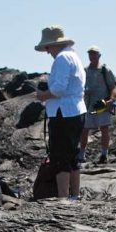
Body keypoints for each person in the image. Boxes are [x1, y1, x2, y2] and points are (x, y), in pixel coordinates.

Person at [34, 25, 86, 200]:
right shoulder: (74, 57)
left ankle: (63, 198)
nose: (47, 51)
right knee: (73, 155)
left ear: (54, 44)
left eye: (48, 47)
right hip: (76, 110)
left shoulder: (62, 59)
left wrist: (43, 95)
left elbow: (59, 89)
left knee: (60, 157)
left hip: (63, 112)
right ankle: (74, 196)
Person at [79, 46, 116, 164]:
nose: (92, 56)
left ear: (99, 55)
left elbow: (113, 86)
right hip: (88, 103)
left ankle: (104, 154)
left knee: (104, 128)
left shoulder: (105, 70)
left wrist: (112, 99)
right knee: (84, 129)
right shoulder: (84, 70)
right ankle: (81, 154)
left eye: (94, 54)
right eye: (90, 54)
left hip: (102, 103)